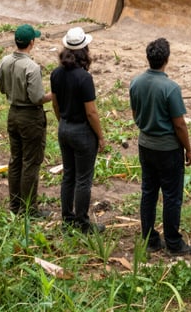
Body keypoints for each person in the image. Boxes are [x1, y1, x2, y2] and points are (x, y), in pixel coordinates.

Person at [129, 37, 191, 256]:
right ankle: (173, 243)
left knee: (148, 192)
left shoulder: (136, 83)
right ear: (166, 59)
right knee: (171, 196)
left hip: (145, 144)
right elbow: (179, 124)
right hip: (168, 149)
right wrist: (188, 148)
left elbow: (135, 114)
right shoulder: (171, 88)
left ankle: (149, 239)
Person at [51, 27, 106, 233]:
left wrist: (63, 122)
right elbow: (91, 112)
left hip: (64, 127)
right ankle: (82, 222)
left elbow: (55, 104)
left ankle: (67, 218)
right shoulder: (84, 78)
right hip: (82, 131)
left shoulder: (56, 73)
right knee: (83, 179)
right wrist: (100, 136)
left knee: (69, 175)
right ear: (85, 50)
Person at [0, 24, 53, 217]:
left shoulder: (4, 61)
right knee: (30, 162)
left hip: (13, 113)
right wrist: (53, 95)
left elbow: (2, 88)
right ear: (32, 42)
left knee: (16, 160)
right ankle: (28, 209)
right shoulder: (32, 67)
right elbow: (37, 98)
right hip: (30, 117)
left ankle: (14, 204)